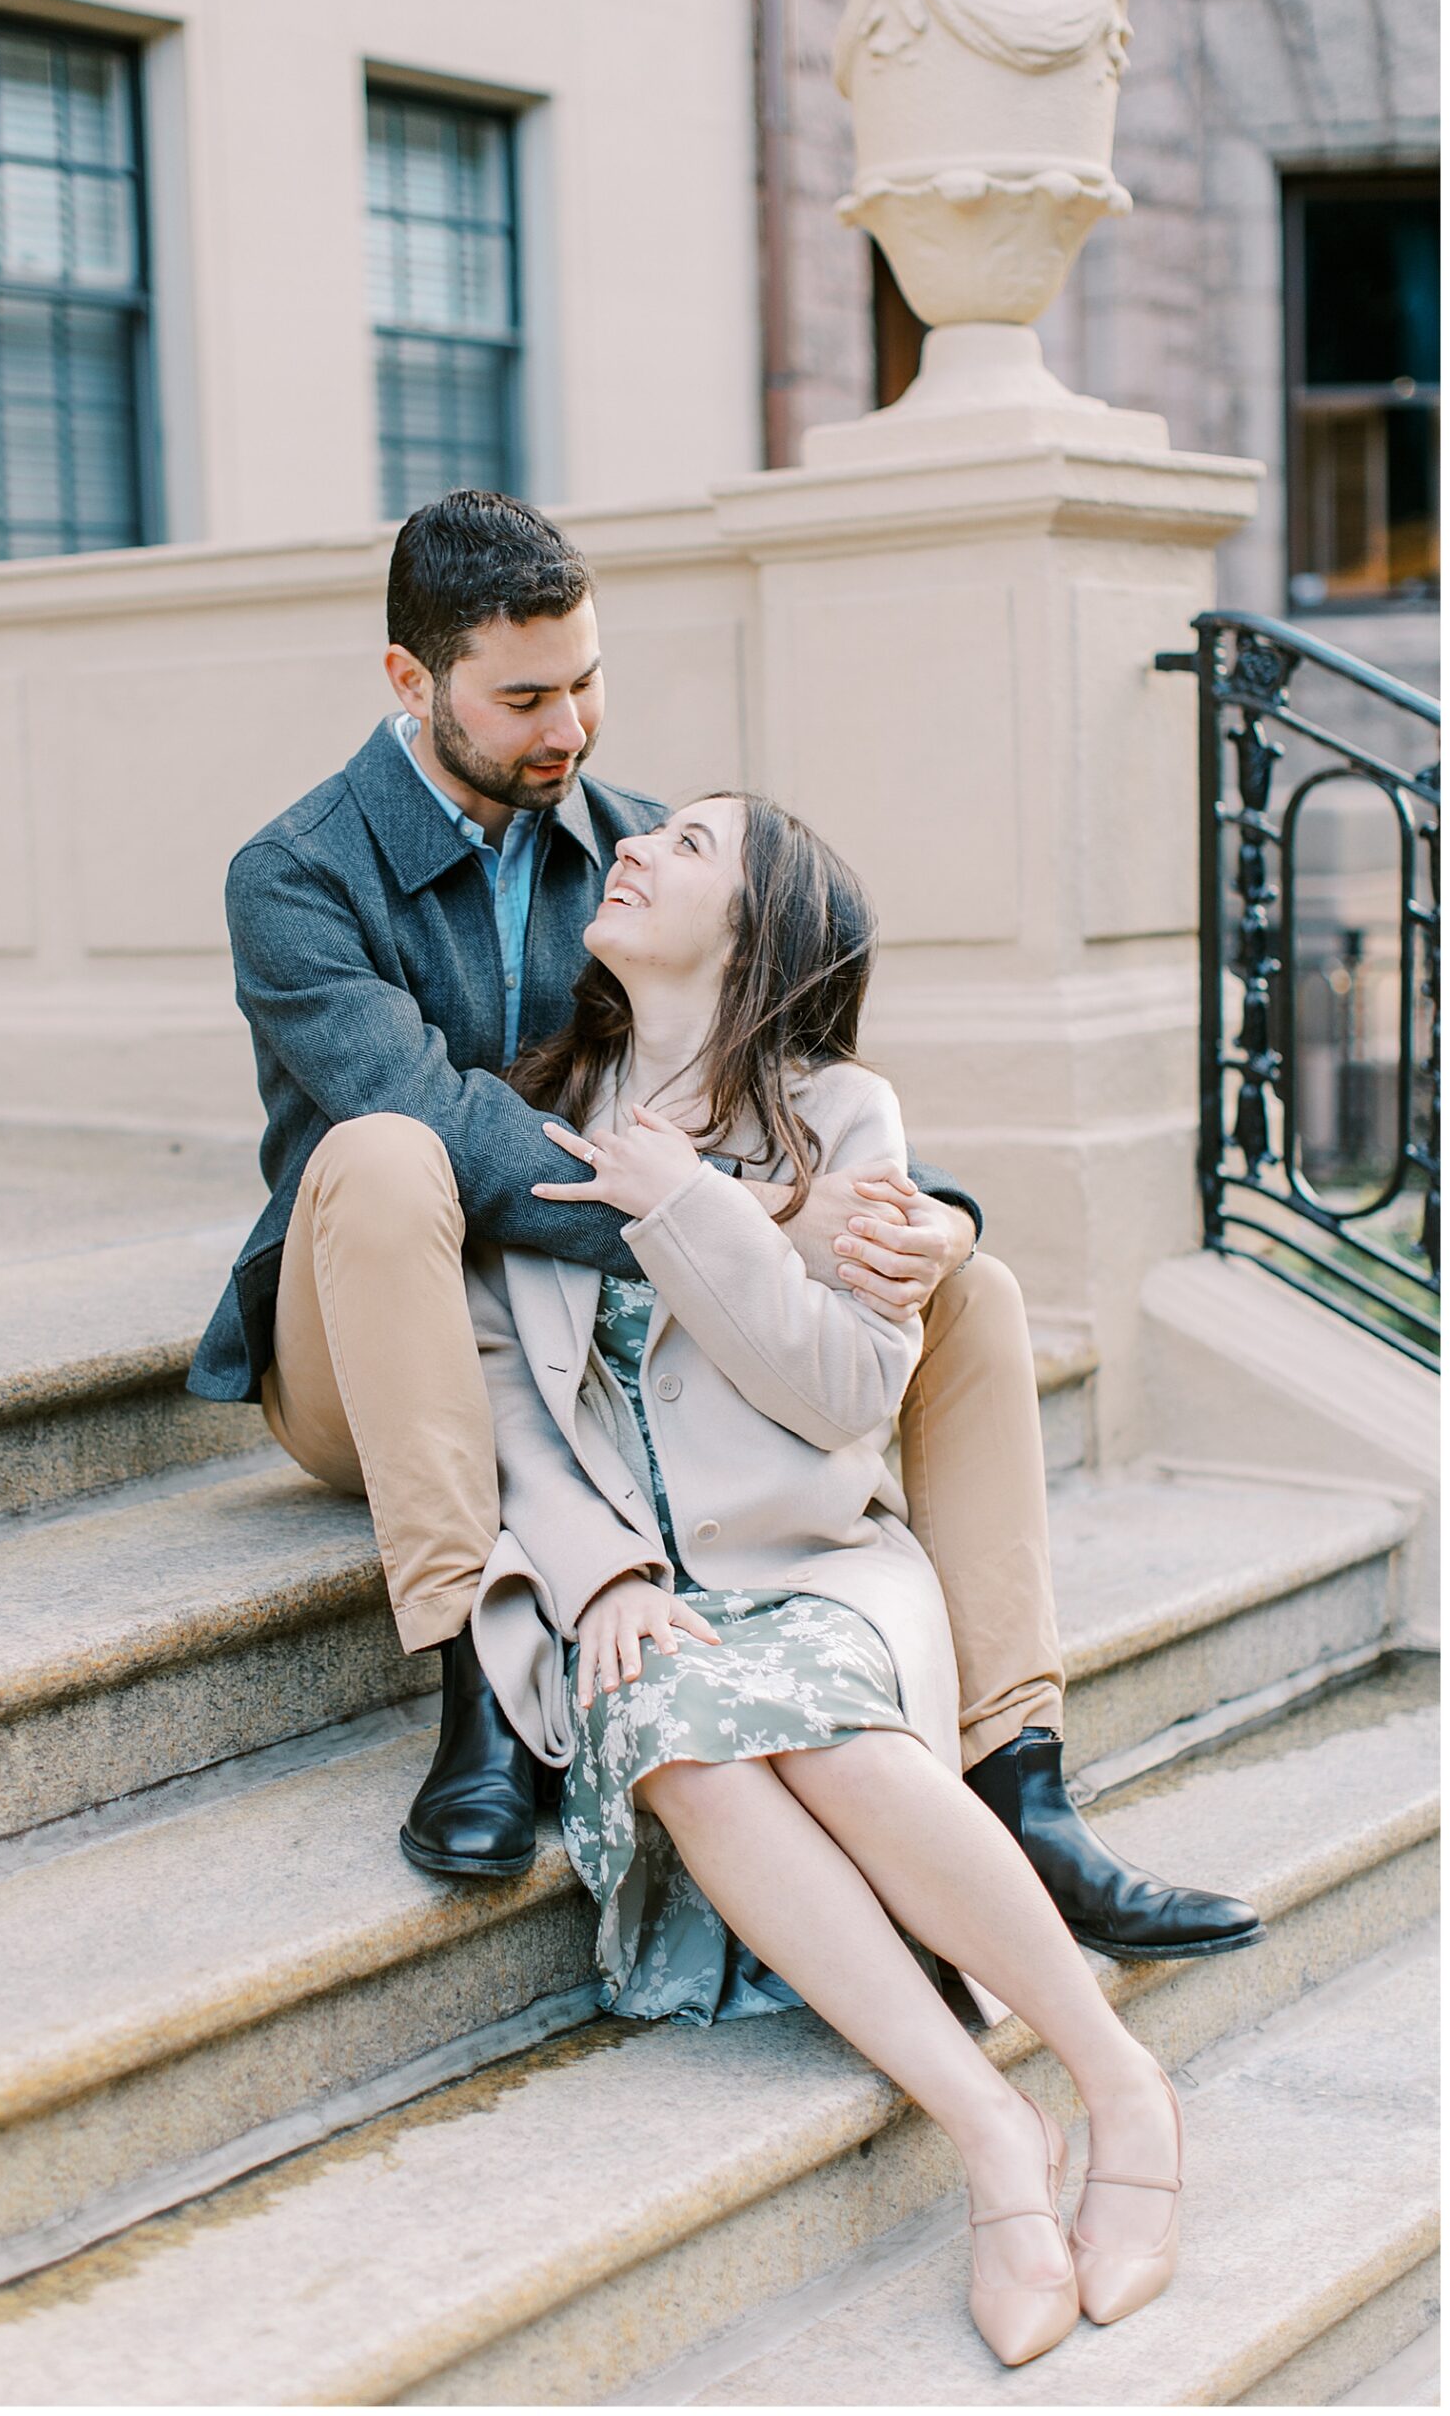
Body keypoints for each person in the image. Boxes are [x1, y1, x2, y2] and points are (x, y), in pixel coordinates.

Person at [186, 488, 1258, 1969]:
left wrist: (923, 1220)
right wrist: (731, 1220)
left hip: (596, 1346)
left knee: (980, 1295)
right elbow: (449, 1127)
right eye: (521, 699)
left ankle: (1016, 1776)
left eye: (586, 681)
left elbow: (782, 1068)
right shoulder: (296, 874)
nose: (568, 729)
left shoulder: (633, 847)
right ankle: (481, 1686)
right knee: (382, 1155)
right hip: (372, 1344)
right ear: (408, 681)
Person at [467, 792, 1196, 2366]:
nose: (641, 846)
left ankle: (1121, 2085)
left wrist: (694, 1209)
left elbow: (847, 1395)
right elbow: (504, 1393)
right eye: (647, 831)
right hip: (625, 1589)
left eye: (692, 846)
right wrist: (597, 1580)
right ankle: (995, 2135)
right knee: (673, 1728)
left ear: (755, 929)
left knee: (811, 1721)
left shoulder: (840, 1114)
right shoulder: (529, 1115)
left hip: (805, 1566)